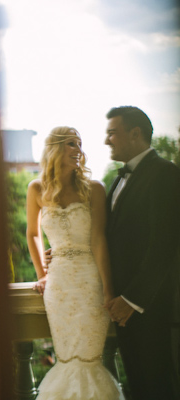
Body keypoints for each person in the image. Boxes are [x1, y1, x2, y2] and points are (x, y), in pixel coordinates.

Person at [26, 127, 123, 399]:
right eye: (71, 144)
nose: (78, 150)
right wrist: (42, 274)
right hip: (58, 286)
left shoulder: (94, 189)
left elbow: (99, 240)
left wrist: (107, 289)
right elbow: (32, 233)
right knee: (66, 357)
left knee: (89, 357)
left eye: (79, 144)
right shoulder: (36, 188)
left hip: (90, 280)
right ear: (55, 149)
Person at [103, 106, 180, 399]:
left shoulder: (166, 174)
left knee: (161, 389)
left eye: (112, 132)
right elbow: (111, 238)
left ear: (135, 134)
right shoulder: (118, 178)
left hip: (154, 311)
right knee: (139, 388)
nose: (107, 140)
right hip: (124, 312)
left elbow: (164, 245)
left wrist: (132, 300)